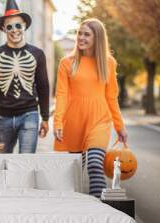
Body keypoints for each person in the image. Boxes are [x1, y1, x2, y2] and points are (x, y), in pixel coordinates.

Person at [53, 18, 128, 198]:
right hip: (74, 123)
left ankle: (99, 210)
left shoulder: (108, 63)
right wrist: (58, 123)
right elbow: (61, 95)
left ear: (97, 38)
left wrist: (119, 126)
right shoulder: (67, 62)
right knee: (73, 176)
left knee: (95, 164)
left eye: (87, 34)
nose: (81, 37)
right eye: (80, 33)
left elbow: (111, 97)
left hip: (99, 121)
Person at [0, 0, 50, 153]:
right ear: (4, 29)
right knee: (1, 161)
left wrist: (45, 117)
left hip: (29, 115)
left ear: (24, 26)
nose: (14, 30)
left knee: (25, 162)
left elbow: (43, 86)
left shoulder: (37, 54)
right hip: (2, 116)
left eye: (18, 25)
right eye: (9, 26)